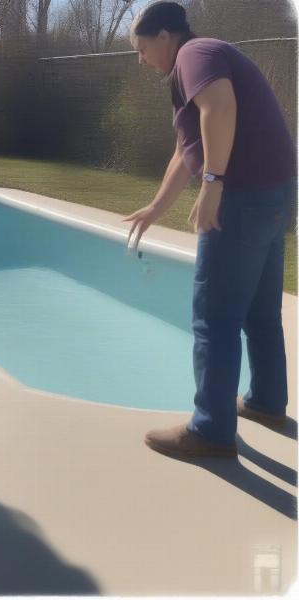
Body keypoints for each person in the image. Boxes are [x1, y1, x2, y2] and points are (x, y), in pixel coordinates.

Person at [124, 1, 297, 459]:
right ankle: (266, 402)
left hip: (242, 198)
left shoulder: (193, 55)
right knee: (260, 311)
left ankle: (211, 431)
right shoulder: (198, 61)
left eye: (141, 49)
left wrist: (214, 184)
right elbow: (186, 150)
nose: (141, 59)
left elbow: (219, 108)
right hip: (273, 195)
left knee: (214, 318)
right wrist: (156, 207)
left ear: (164, 36)